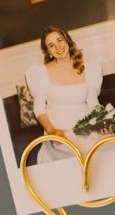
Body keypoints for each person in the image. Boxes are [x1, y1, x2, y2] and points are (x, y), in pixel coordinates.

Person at [25, 26, 104, 164]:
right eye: (51, 45)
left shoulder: (88, 67)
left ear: (67, 40)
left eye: (60, 40)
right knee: (72, 157)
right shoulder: (40, 72)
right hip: (59, 132)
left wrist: (101, 121)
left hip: (87, 129)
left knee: (107, 150)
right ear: (48, 51)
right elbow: (39, 108)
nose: (58, 47)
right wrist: (52, 131)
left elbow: (92, 101)